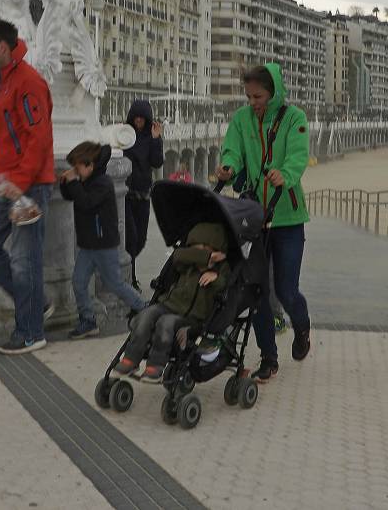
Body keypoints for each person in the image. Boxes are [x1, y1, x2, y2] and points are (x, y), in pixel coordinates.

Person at [215, 63, 311, 383]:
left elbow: (298, 155)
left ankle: (302, 326)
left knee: (286, 290)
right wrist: (228, 167)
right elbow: (234, 151)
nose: (253, 102)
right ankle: (269, 357)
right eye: (249, 96)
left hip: (287, 217)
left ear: (273, 92)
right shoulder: (242, 120)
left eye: (258, 96)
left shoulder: (294, 118)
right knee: (257, 292)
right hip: (255, 216)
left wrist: (287, 173)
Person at [0, 19, 54, 356]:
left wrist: (20, 182)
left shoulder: (29, 82)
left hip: (29, 185)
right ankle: (35, 303)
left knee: (25, 261)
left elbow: (39, 138)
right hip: (5, 181)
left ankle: (31, 333)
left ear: (3, 48)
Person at [110, 221, 231, 384]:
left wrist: (215, 277)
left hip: (192, 317)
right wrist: (205, 257)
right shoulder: (188, 263)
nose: (197, 251)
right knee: (146, 315)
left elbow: (224, 287)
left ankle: (156, 365)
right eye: (194, 247)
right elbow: (178, 255)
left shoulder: (221, 269)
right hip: (168, 305)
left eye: (203, 247)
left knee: (166, 323)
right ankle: (131, 358)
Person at [59, 141, 145, 339]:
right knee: (79, 281)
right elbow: (70, 196)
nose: (75, 171)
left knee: (114, 283)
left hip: (104, 244)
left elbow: (87, 202)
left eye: (77, 167)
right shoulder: (84, 180)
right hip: (88, 245)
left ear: (89, 165)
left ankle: (143, 308)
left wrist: (73, 182)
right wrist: (66, 183)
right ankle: (88, 321)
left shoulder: (103, 183)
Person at [120, 100, 164, 290]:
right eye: (136, 117)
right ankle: (130, 279)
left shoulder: (150, 138)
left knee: (141, 240)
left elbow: (156, 162)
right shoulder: (124, 136)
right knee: (131, 238)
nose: (139, 120)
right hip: (127, 196)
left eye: (142, 117)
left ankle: (130, 275)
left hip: (143, 196)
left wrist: (156, 139)